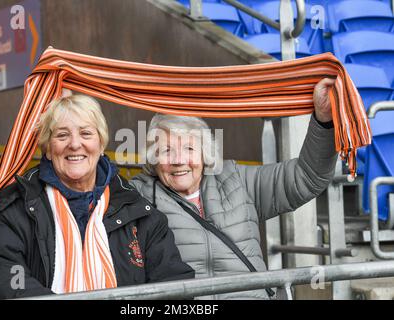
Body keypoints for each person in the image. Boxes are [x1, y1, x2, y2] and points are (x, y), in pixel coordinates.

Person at [130, 78, 338, 299]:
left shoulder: (236, 179)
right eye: (166, 150)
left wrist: (324, 122)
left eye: (189, 148)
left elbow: (307, 177)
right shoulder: (138, 196)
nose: (179, 160)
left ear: (204, 151)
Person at [0, 94, 194, 299]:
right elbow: (3, 274)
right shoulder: (16, 207)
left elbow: (172, 281)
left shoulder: (137, 210)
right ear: (48, 148)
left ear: (100, 144)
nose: (75, 144)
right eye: (62, 135)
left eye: (86, 133)